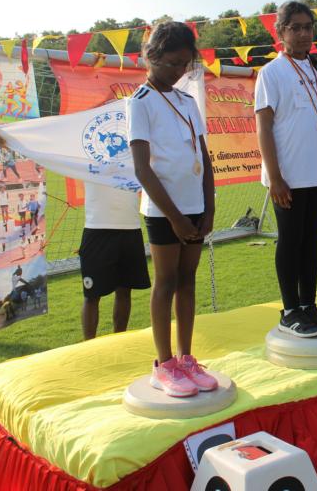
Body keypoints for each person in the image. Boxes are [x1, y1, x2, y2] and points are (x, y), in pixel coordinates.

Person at [128, 20, 217, 398]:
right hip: (164, 211)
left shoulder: (187, 101)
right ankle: (164, 365)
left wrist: (209, 207)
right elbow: (142, 169)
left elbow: (204, 158)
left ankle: (186, 359)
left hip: (195, 206)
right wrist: (176, 218)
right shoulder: (140, 102)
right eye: (173, 63)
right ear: (151, 56)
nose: (179, 71)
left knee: (187, 280)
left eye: (185, 64)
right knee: (165, 282)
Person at [255, 1, 317, 338]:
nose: (304, 33)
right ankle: (289, 310)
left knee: (310, 242)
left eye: (308, 27)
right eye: (296, 27)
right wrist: (275, 177)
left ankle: (308, 305)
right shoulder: (271, 72)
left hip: (316, 172)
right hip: (287, 175)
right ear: (281, 31)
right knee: (290, 241)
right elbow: (264, 126)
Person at [79, 182, 151, 340]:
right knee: (92, 295)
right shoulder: (88, 163)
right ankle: (89, 345)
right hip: (97, 228)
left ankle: (120, 339)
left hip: (130, 228)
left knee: (125, 290)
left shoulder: (132, 163)